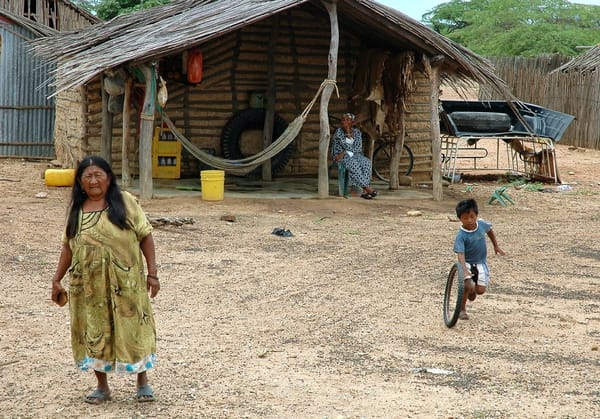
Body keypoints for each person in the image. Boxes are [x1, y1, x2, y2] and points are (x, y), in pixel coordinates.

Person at [50, 156, 160, 404]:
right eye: (87, 176)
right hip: (88, 286)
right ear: (79, 182)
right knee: (94, 330)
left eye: (98, 174)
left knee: (133, 328)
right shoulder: (77, 210)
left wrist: (152, 274)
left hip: (125, 282)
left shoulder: (126, 203)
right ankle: (102, 386)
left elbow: (146, 236)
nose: (93, 180)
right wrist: (56, 279)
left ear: (109, 178)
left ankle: (142, 381)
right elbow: (68, 246)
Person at [453, 199, 506, 320]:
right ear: (460, 219)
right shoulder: (461, 235)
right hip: (466, 261)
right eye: (465, 218)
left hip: (480, 262)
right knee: (466, 285)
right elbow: (460, 254)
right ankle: (462, 309)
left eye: (472, 217)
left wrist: (496, 246)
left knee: (480, 290)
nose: (470, 221)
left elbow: (490, 231)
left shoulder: (482, 224)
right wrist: (464, 270)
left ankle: (472, 290)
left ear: (476, 215)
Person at [332, 112, 378, 199]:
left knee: (367, 162)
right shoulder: (339, 132)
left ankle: (365, 192)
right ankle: (367, 188)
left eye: (347, 120)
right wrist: (346, 152)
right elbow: (344, 145)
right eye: (343, 119)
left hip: (352, 154)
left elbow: (358, 148)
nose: (344, 121)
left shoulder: (357, 132)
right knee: (354, 164)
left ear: (352, 122)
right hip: (340, 155)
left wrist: (346, 152)